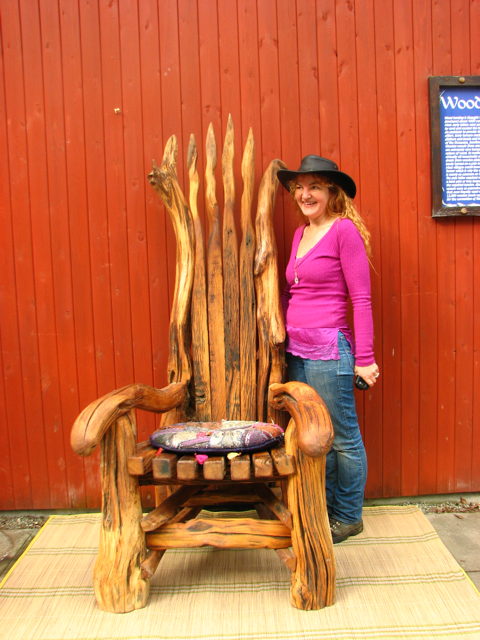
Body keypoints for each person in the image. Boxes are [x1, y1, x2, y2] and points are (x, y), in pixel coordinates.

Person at [277, 155, 379, 544]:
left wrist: (365, 360)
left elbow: (362, 300)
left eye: (315, 186)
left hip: (328, 350)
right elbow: (292, 290)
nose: (305, 194)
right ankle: (324, 508)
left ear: (331, 192)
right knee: (312, 433)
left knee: (342, 437)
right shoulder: (299, 235)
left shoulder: (343, 232)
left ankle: (348, 515)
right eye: (300, 187)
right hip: (296, 351)